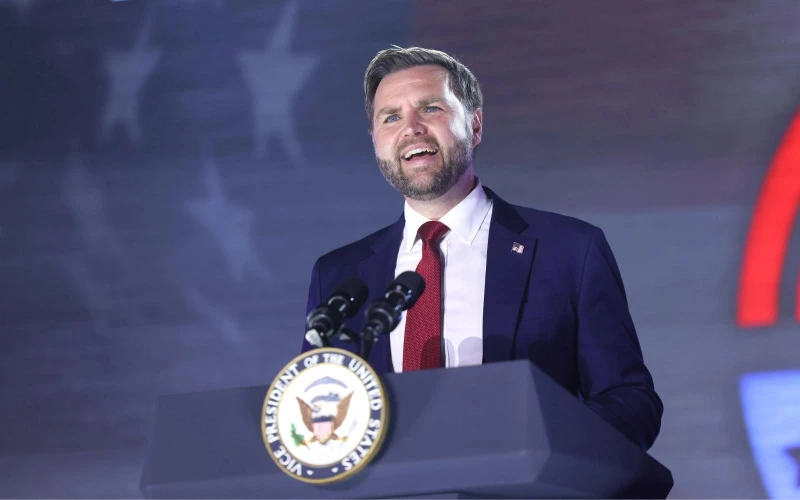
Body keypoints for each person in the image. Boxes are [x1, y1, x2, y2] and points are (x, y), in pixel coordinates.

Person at [301, 46, 662, 450]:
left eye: (431, 108)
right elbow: (317, 422)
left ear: (474, 126)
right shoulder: (340, 276)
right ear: (376, 142)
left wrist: (540, 445)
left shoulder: (569, 251)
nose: (411, 128)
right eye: (391, 117)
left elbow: (630, 403)